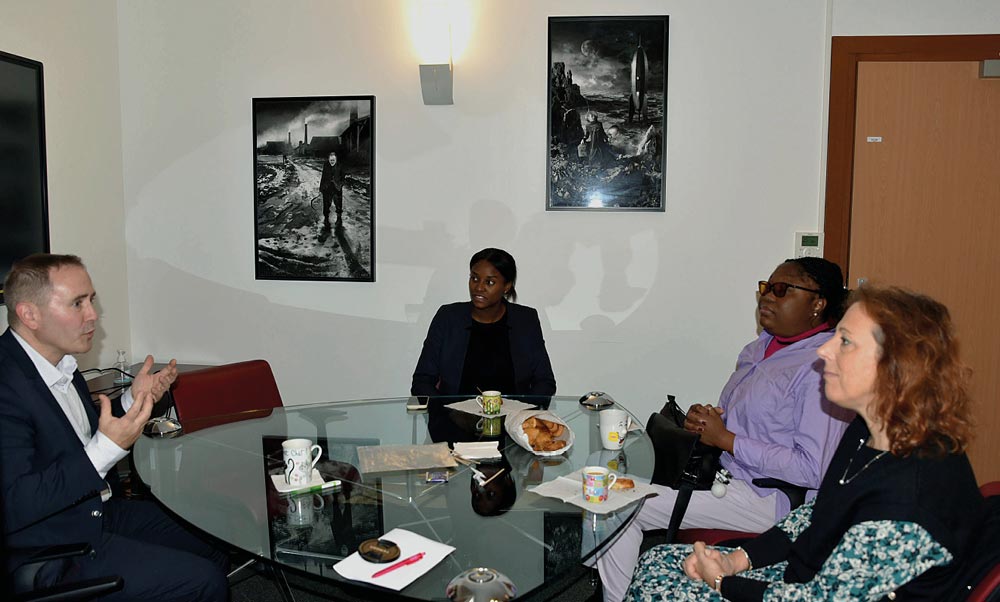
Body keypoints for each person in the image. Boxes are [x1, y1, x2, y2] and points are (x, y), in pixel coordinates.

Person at [627, 286, 983, 601]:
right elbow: (817, 514)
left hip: (815, 591)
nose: (825, 350)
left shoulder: (906, 505)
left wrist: (722, 581)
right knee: (657, 560)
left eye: (844, 341)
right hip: (810, 573)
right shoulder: (868, 430)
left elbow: (819, 598)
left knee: (661, 586)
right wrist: (737, 559)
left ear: (895, 367)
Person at [593, 257, 854, 602]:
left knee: (615, 504)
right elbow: (754, 420)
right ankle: (620, 590)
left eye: (781, 290)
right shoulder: (760, 348)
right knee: (602, 476)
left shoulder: (821, 368)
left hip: (768, 497)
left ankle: (619, 597)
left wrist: (728, 439)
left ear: (818, 304)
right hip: (723, 474)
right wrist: (709, 421)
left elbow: (812, 469)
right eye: (765, 288)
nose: (767, 298)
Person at [0, 254, 228, 600]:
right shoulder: (5, 384)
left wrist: (133, 402)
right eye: (78, 303)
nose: (93, 315)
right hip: (49, 548)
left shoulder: (60, 362)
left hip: (95, 511)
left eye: (91, 300)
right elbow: (16, 504)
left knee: (213, 539)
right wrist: (107, 448)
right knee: (204, 580)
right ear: (29, 314)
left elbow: (75, 436)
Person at [411, 248, 556, 397]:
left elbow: (545, 382)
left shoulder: (525, 320)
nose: (479, 287)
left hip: (513, 417)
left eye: (490, 282)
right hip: (453, 416)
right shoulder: (448, 317)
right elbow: (422, 381)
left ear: (507, 286)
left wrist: (523, 413)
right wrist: (442, 411)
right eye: (474, 278)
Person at [319, 151, 344, 225]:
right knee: (326, 204)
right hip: (327, 188)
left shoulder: (340, 166)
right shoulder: (326, 165)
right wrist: (321, 187)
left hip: (337, 188)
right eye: (330, 160)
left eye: (333, 160)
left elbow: (343, 178)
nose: (332, 162)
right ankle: (326, 219)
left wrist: (340, 185)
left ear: (336, 160)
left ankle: (339, 219)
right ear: (328, 160)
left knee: (338, 204)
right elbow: (323, 177)